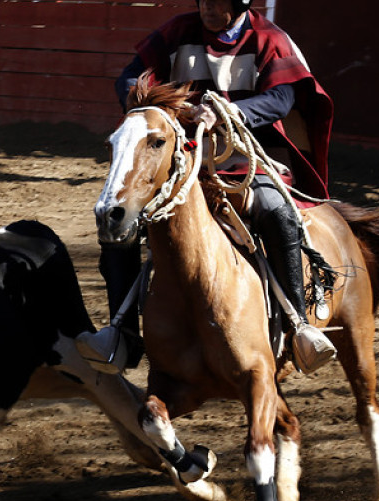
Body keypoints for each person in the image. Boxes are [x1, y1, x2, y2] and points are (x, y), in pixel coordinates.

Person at [78, 0, 338, 375]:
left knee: (275, 210)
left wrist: (227, 111)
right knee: (119, 217)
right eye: (203, 1)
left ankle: (299, 326)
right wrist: (159, 106)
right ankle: (121, 334)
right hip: (179, 161)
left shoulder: (270, 39)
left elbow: (282, 99)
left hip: (248, 159)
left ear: (240, 4)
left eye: (217, 3)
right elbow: (130, 78)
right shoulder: (177, 32)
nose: (207, 10)